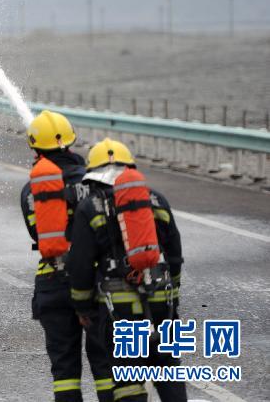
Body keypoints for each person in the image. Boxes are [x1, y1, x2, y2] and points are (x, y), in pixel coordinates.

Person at [67, 138, 186, 402]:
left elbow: (80, 263)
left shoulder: (92, 207)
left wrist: (83, 307)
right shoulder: (156, 200)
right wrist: (173, 295)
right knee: (168, 371)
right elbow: (174, 254)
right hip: (161, 303)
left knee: (127, 381)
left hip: (120, 309)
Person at [21, 111, 113, 402]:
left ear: (35, 147)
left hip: (53, 282)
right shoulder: (95, 180)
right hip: (96, 282)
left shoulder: (32, 190)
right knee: (106, 368)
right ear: (71, 143)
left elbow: (38, 235)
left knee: (65, 374)